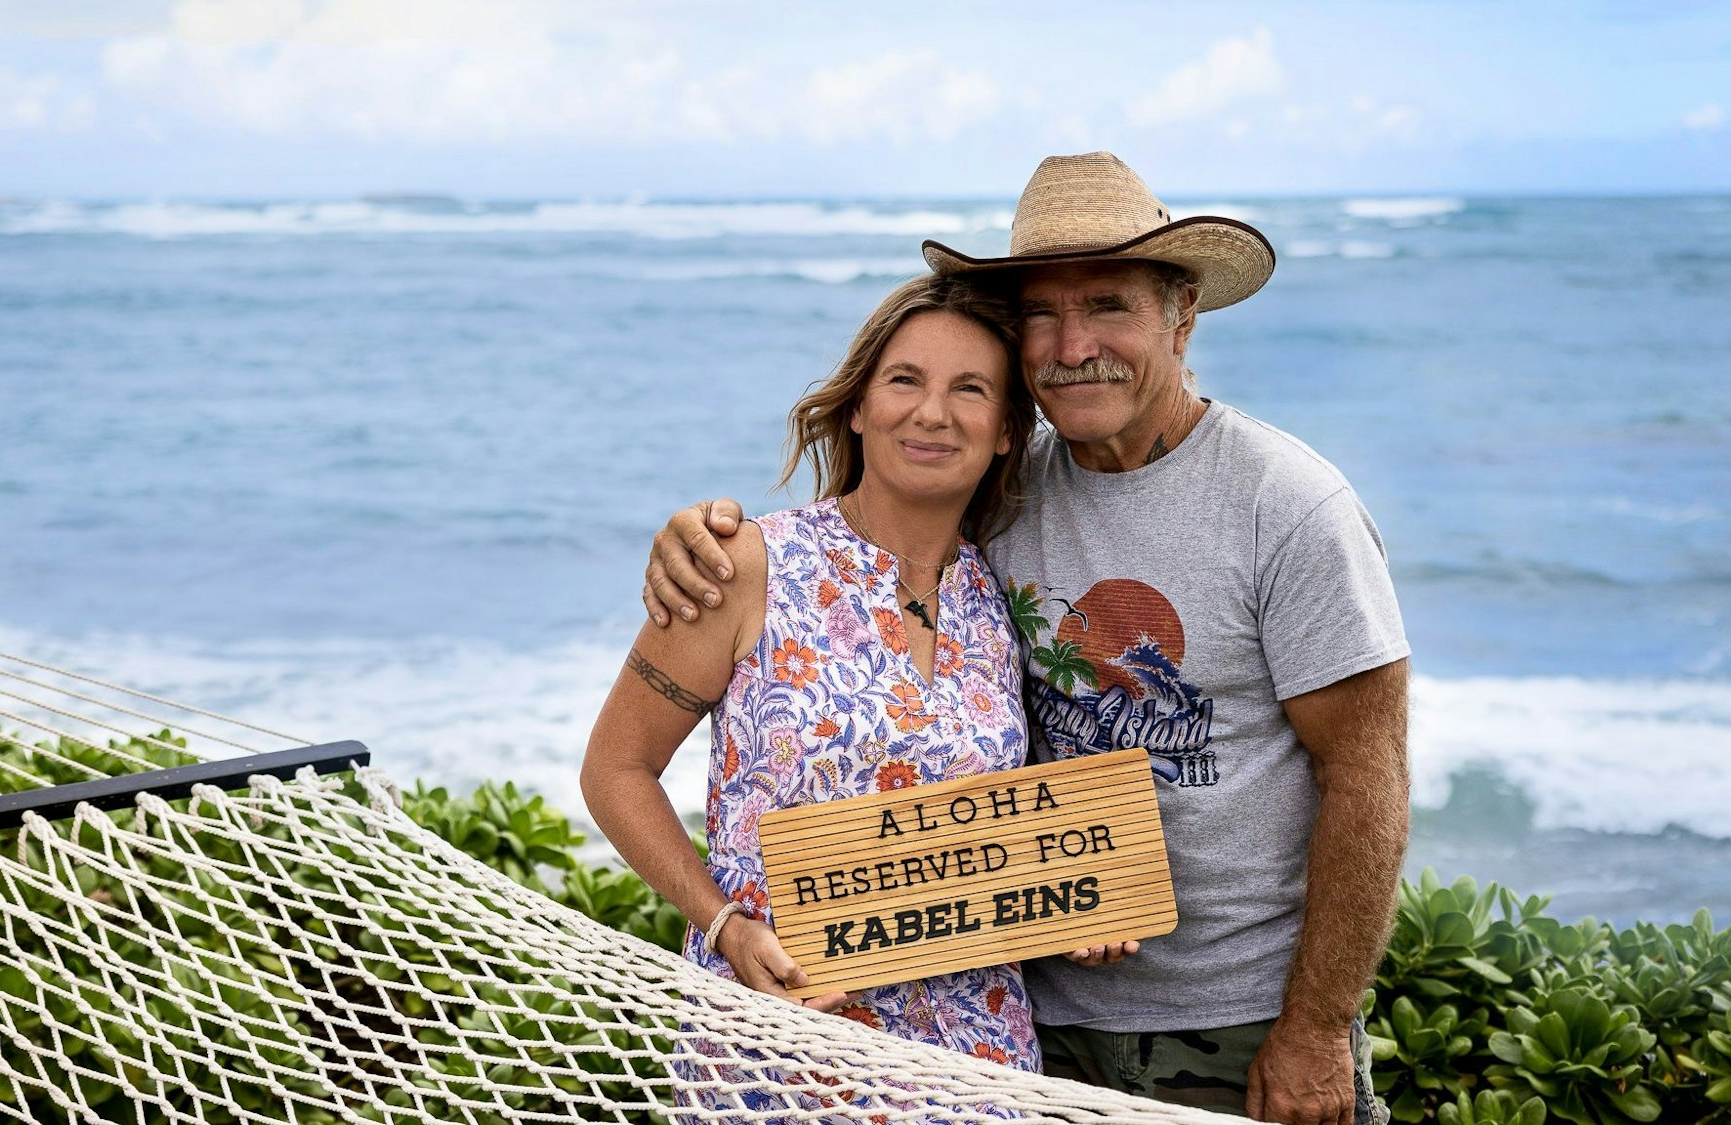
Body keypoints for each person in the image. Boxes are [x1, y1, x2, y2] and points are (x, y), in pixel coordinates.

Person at [641, 152, 1411, 1125]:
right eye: (1040, 314)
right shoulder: (998, 489)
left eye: (1107, 306)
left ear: (1180, 313)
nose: (1071, 343)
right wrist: (699, 541)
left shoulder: (1289, 507)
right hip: (1027, 1018)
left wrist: (1313, 1026)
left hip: (1236, 1024)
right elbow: (854, 563)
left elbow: (1368, 776)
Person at [581, 274, 1052, 1116]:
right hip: (779, 1048)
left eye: (970, 389)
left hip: (977, 1064)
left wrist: (1085, 903)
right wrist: (725, 928)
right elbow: (615, 768)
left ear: (1008, 429)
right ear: (861, 405)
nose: (934, 413)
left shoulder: (1002, 592)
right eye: (905, 380)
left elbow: (1013, 834)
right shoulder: (748, 566)